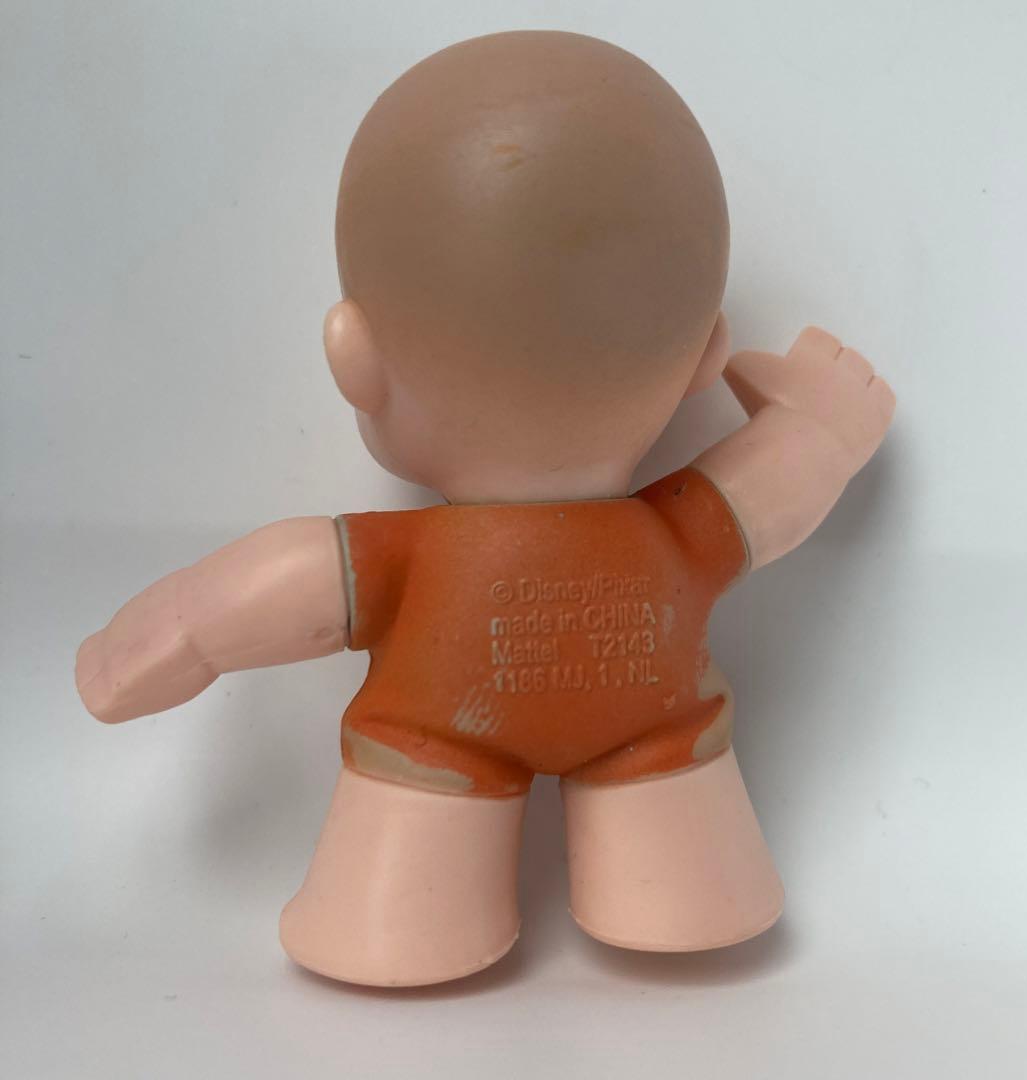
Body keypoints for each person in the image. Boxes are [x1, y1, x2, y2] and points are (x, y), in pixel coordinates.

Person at [76, 30, 894, 987]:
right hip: (659, 731)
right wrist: (822, 428)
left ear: (354, 357)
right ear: (704, 359)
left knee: (396, 890)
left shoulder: (402, 557)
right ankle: (692, 892)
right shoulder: (677, 532)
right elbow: (780, 487)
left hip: (434, 742)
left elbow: (271, 587)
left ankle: (394, 926)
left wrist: (167, 636)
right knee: (685, 853)